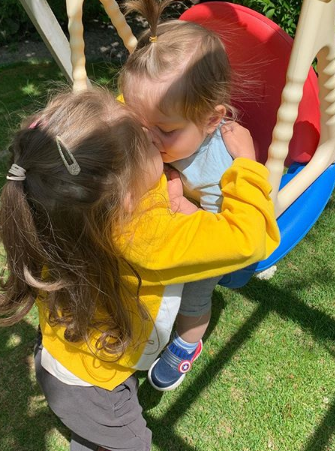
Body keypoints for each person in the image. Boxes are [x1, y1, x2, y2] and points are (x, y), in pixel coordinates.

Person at [0, 86, 279, 451]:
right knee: (132, 445)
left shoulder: (66, 207)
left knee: (93, 430)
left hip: (60, 356)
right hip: (96, 386)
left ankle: (92, 438)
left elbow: (108, 132)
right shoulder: (146, 237)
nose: (155, 140)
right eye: (148, 142)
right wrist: (247, 164)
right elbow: (249, 240)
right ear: (129, 198)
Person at [119, 0, 257, 392]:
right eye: (138, 121)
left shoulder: (221, 167)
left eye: (164, 130)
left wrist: (182, 205)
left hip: (208, 230)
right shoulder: (159, 126)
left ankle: (188, 341)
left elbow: (226, 232)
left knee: (193, 297)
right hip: (167, 223)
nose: (148, 138)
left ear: (211, 119)